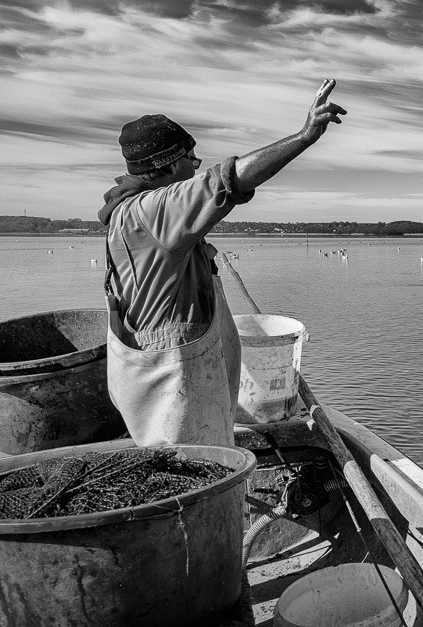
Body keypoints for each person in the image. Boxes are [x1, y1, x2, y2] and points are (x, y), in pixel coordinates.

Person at [98, 79, 346, 446]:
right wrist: (304, 136)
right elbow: (229, 180)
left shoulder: (133, 214)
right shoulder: (153, 212)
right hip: (175, 384)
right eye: (191, 159)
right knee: (193, 470)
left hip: (168, 378)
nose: (195, 168)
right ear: (168, 165)